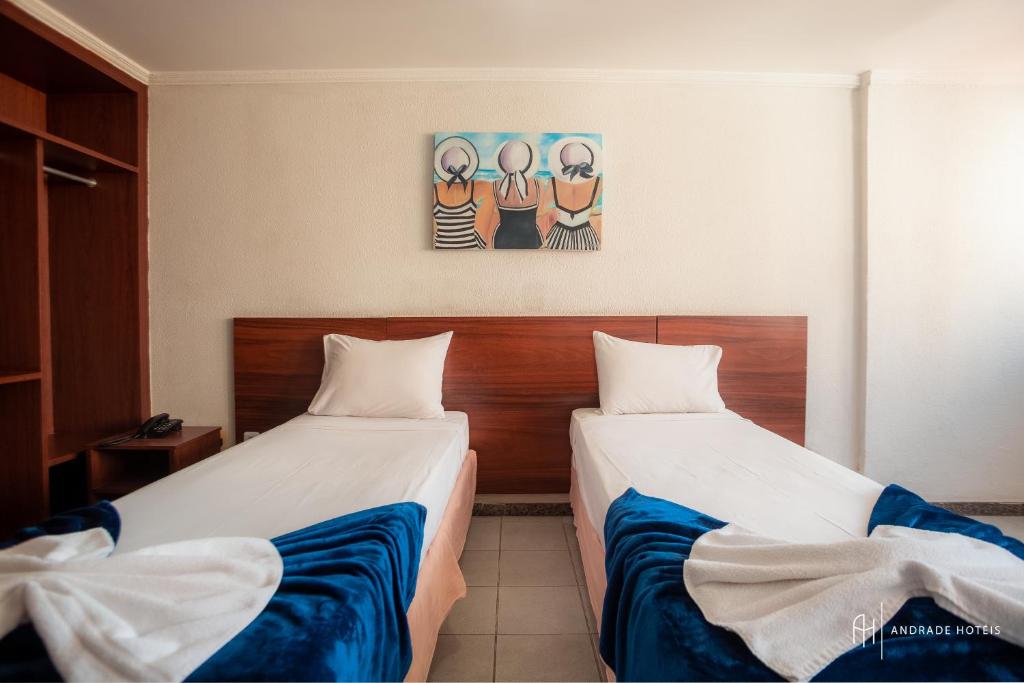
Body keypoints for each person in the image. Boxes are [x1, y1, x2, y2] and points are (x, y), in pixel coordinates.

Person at [479, 139, 544, 249]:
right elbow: (541, 213)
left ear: (502, 162)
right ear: (529, 161)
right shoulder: (538, 185)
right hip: (530, 239)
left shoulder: (495, 185)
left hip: (502, 239)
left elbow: (491, 216)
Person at [542, 138, 603, 250]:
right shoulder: (598, 182)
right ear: (589, 159)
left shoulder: (553, 181)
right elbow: (591, 209)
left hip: (558, 236)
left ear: (562, 160)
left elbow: (543, 208)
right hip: (586, 237)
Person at [432, 136, 489, 249]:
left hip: (441, 249)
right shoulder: (477, 188)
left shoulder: (435, 190)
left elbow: (434, 231)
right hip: (471, 248)